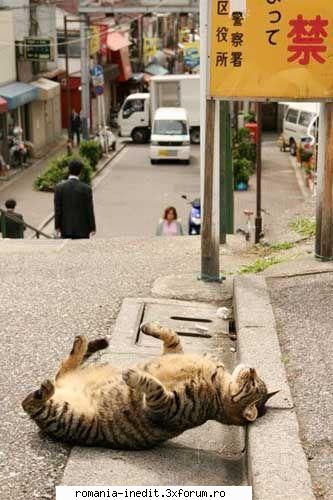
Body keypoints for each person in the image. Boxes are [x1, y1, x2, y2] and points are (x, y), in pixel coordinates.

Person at [54, 159, 96, 239]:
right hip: (83, 229)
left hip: (65, 228)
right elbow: (89, 209)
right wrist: (92, 227)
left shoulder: (59, 188)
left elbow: (58, 209)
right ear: (80, 171)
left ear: (68, 170)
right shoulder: (86, 189)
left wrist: (57, 226)